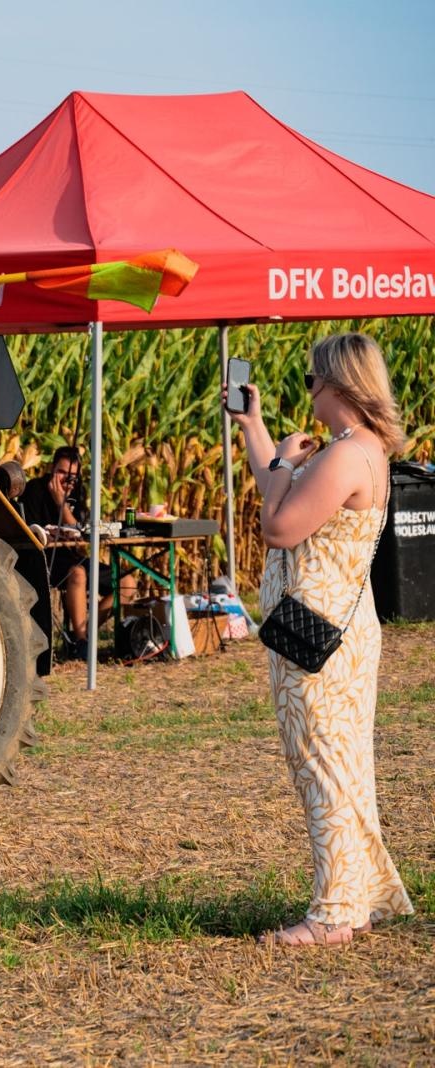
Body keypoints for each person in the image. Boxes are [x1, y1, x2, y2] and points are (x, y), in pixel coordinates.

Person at [231, 332, 414, 946]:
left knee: (323, 766)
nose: (308, 388)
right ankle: (356, 898)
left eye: (313, 379)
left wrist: (284, 461)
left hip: (319, 639)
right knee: (342, 764)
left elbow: (278, 525)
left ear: (340, 384)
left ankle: (335, 913)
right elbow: (279, 489)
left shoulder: (343, 456)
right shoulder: (355, 449)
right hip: (337, 630)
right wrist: (255, 429)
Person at [22, 445, 117, 647]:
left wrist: (62, 505)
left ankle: (81, 634)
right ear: (52, 469)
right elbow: (31, 531)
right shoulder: (35, 489)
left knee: (127, 583)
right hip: (47, 559)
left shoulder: (77, 492)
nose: (67, 480)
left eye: (72, 476)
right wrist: (57, 503)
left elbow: (81, 530)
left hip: (74, 555)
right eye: (62, 473)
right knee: (78, 574)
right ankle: (82, 643)